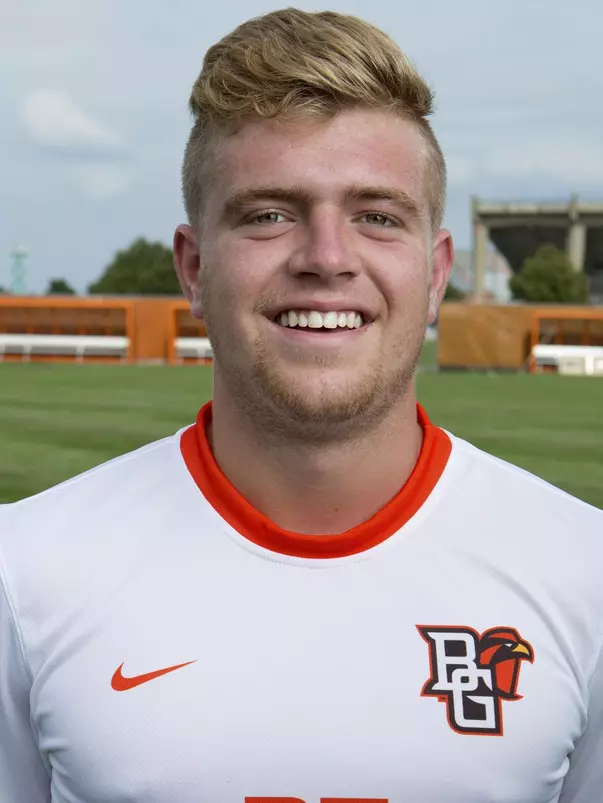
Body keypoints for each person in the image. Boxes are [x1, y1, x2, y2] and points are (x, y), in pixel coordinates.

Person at [0, 9, 601, 803]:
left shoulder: (584, 571)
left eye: (376, 217)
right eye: (268, 214)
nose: (325, 258)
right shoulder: (24, 571)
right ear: (193, 267)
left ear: (435, 272)